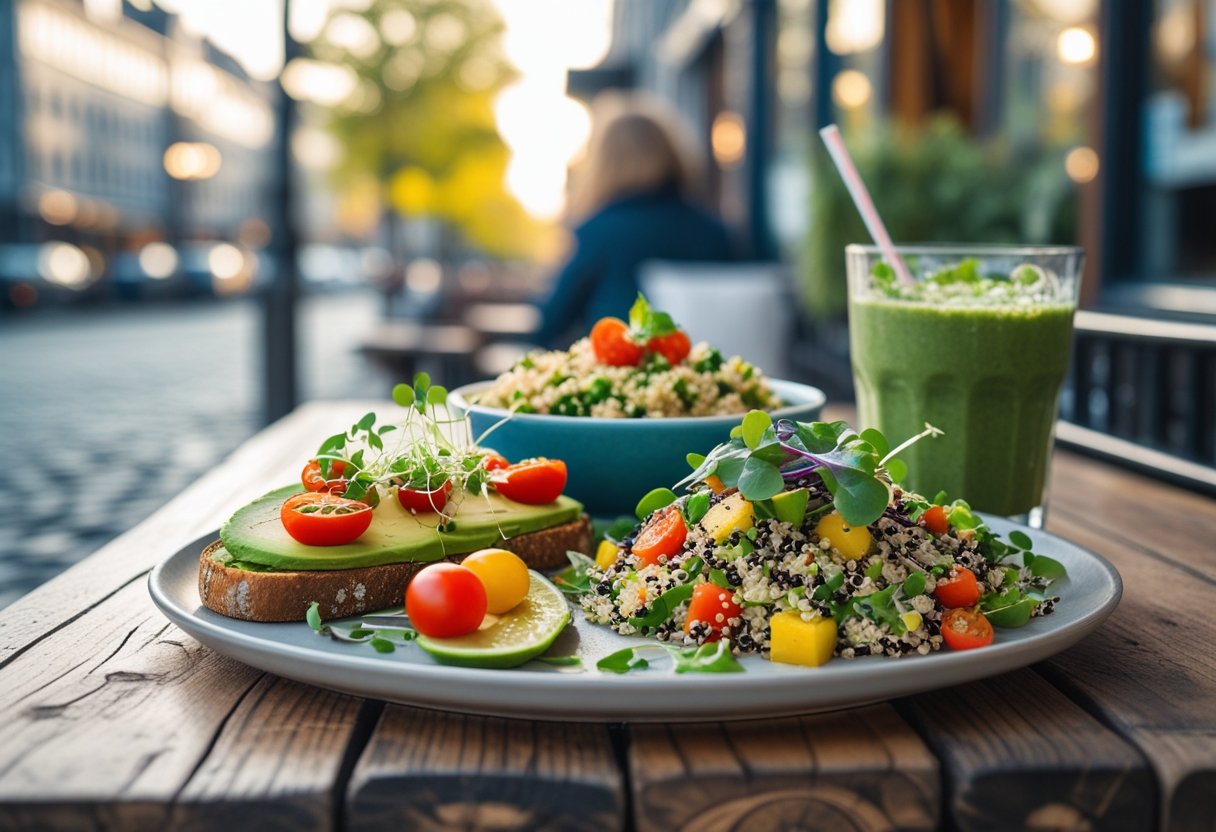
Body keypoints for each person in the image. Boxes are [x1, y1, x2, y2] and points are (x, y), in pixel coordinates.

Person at [533, 93, 737, 347]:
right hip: (708, 370)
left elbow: (550, 323)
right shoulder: (715, 232)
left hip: (625, 374)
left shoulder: (599, 231)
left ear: (603, 162)